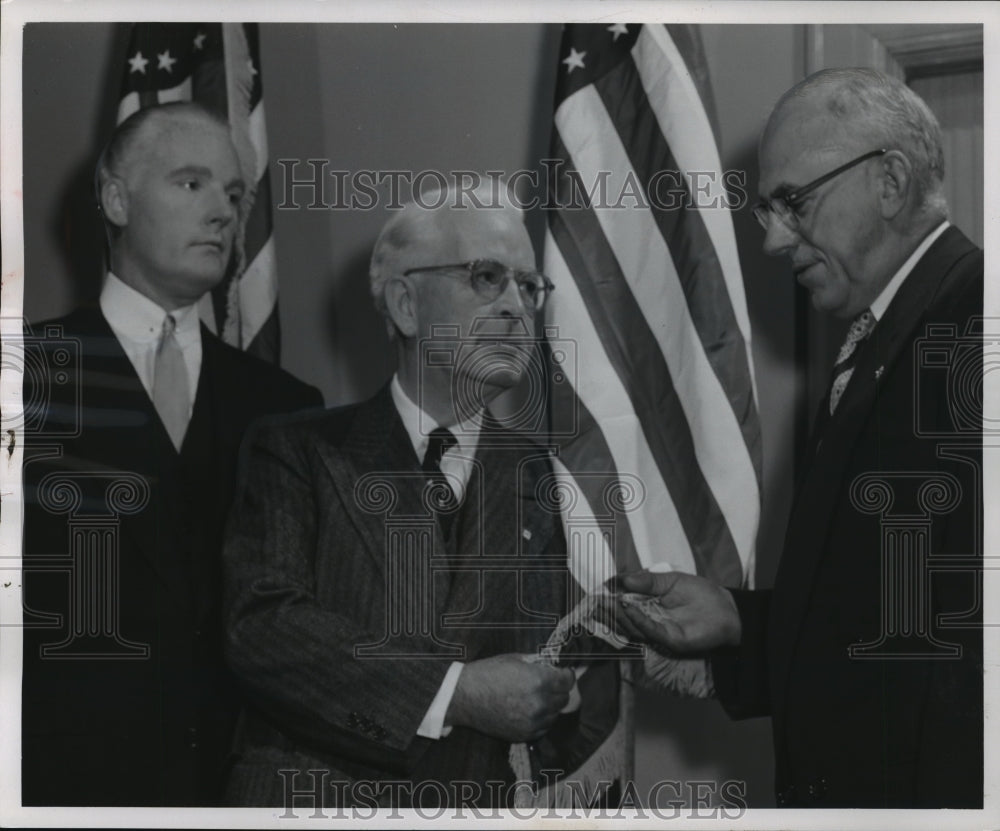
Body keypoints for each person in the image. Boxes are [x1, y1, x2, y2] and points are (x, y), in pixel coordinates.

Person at [619, 68, 983, 808]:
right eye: (767, 210)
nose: (775, 240)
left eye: (794, 202)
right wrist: (737, 620)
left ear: (889, 181)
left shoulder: (976, 326)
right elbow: (892, 611)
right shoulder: (887, 332)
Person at [221, 188, 580, 809]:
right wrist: (453, 693)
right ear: (406, 305)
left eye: (529, 287)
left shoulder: (534, 474)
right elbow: (264, 632)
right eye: (488, 277)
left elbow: (546, 667)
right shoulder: (297, 448)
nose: (517, 308)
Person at [21, 102, 323, 806]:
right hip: (60, 791)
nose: (223, 211)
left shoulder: (285, 404)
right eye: (192, 184)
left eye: (234, 192)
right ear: (116, 199)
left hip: (243, 790)